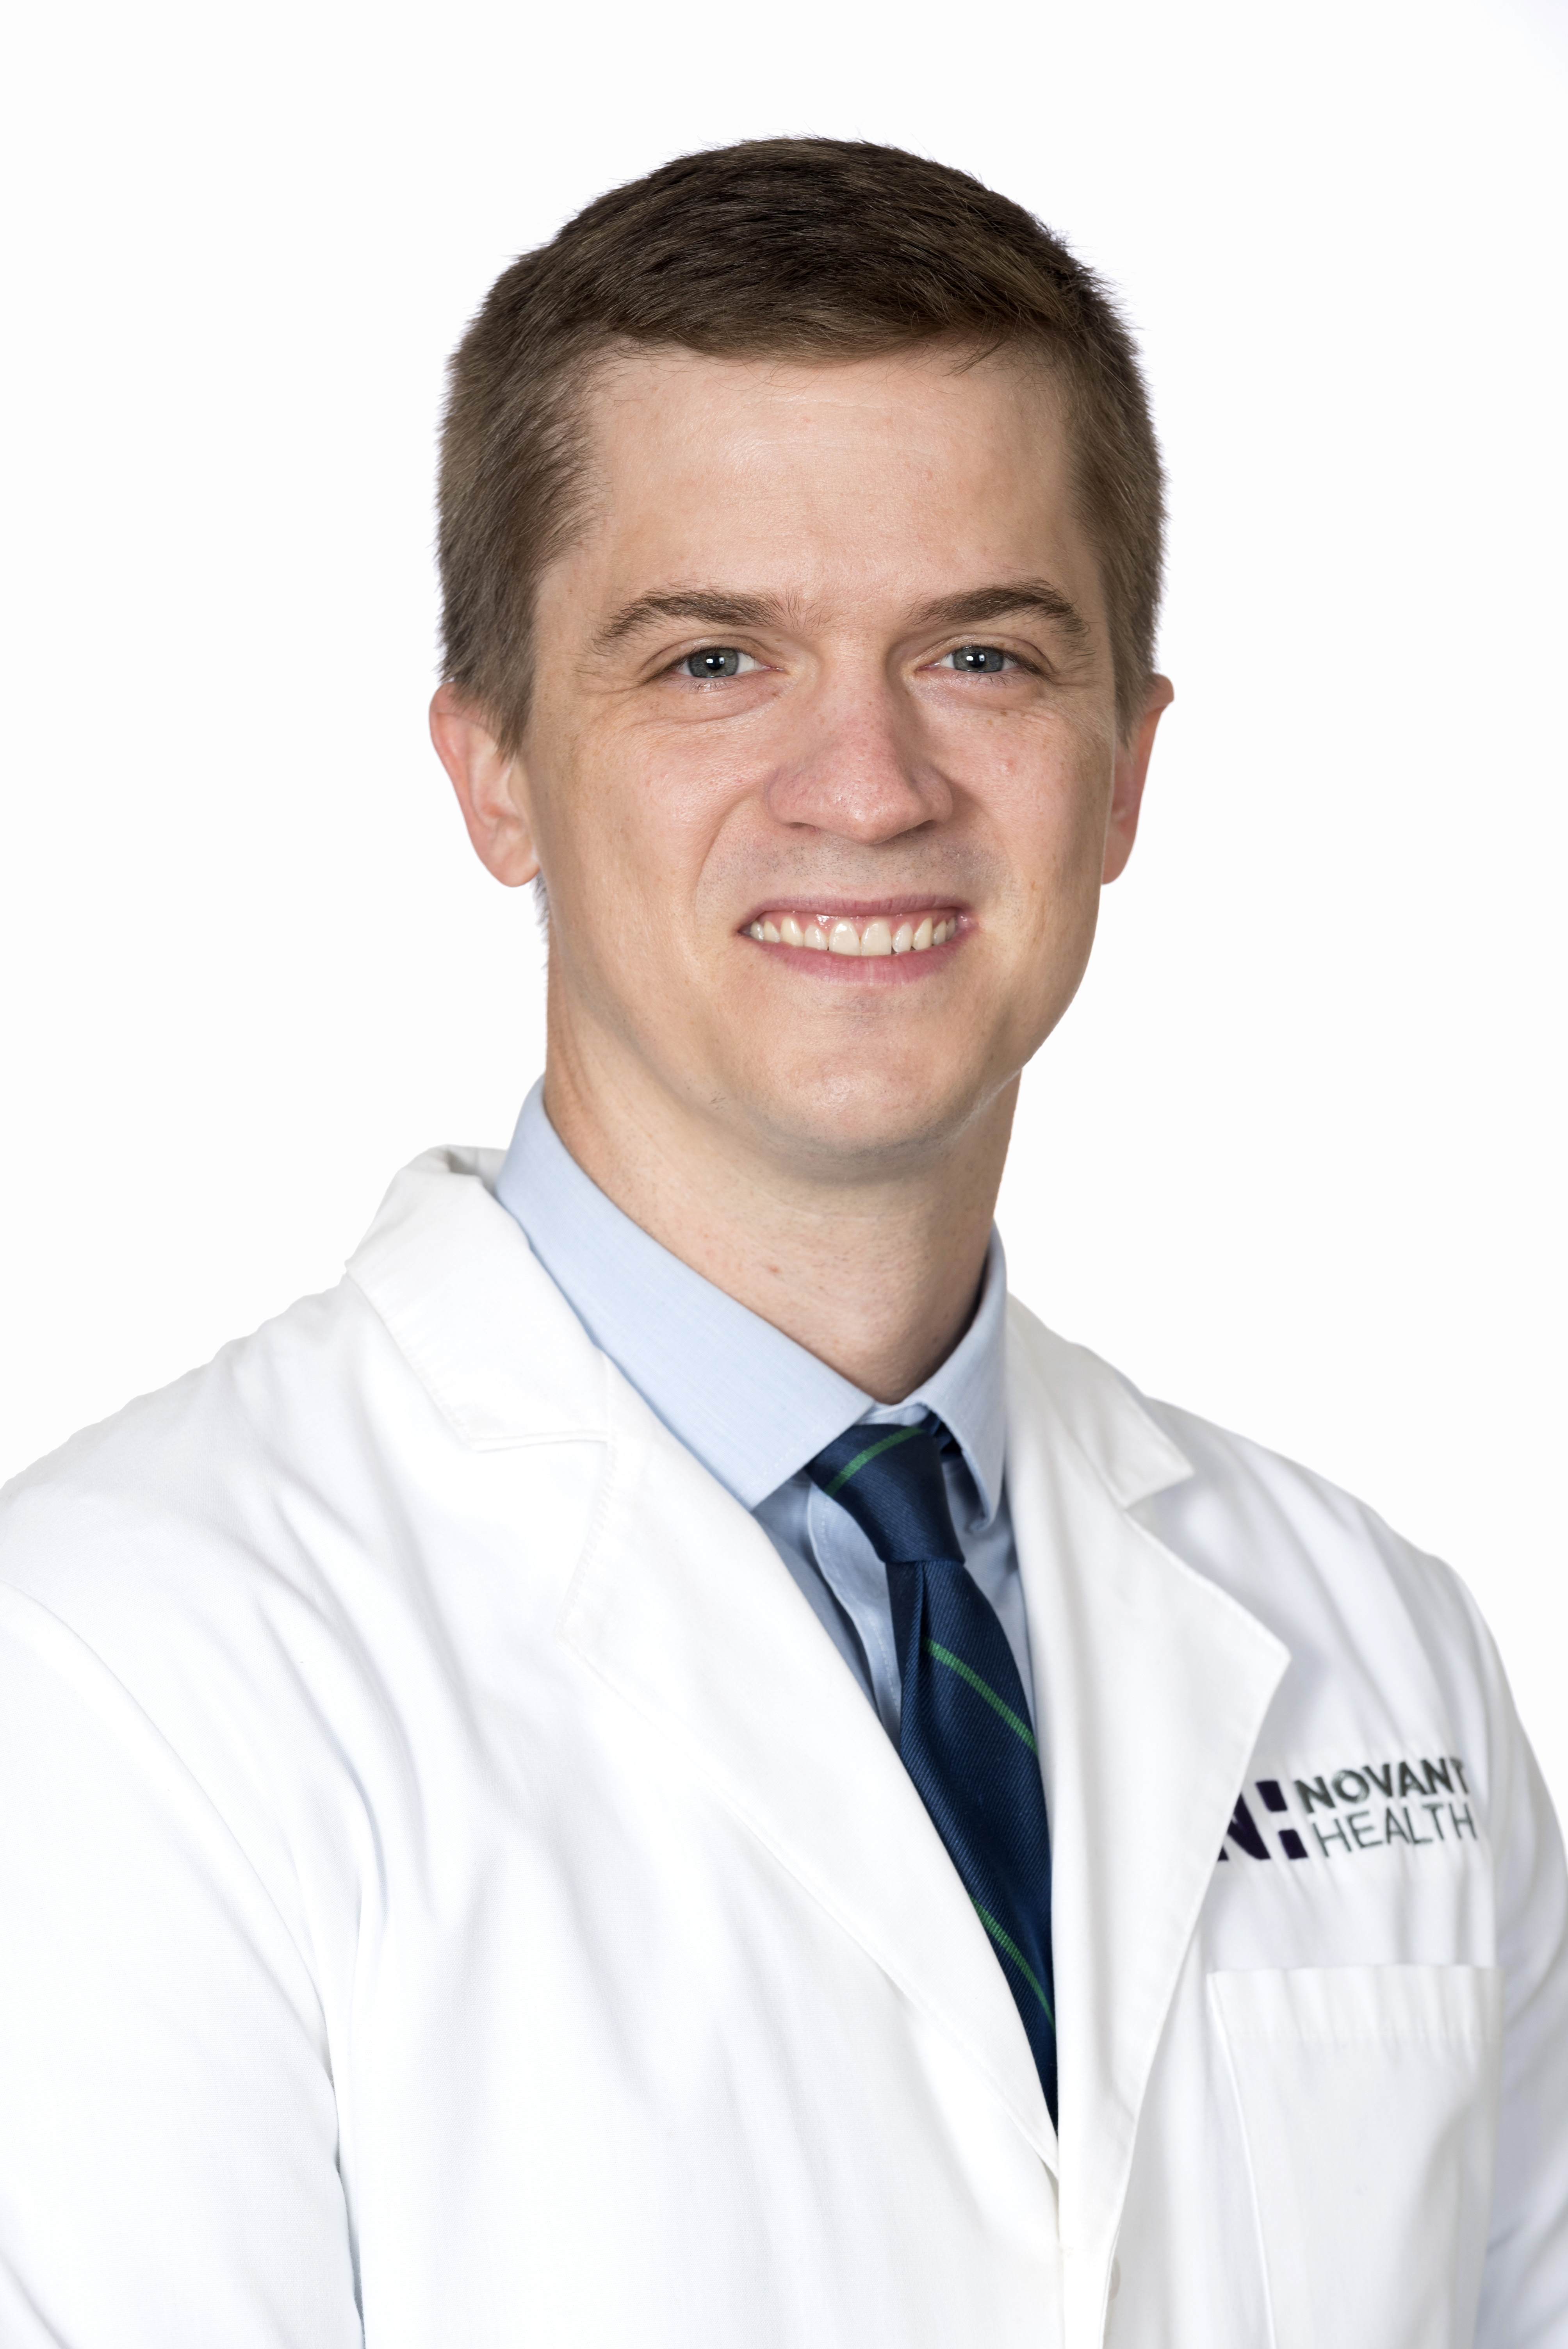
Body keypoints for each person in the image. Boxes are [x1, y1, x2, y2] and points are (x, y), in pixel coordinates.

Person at [0, 137, 1562, 2349]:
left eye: (990, 657)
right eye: (717, 656)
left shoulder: (1377, 1651)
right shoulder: (120, 1680)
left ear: (1126, 769)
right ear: (495, 772)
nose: (868, 781)